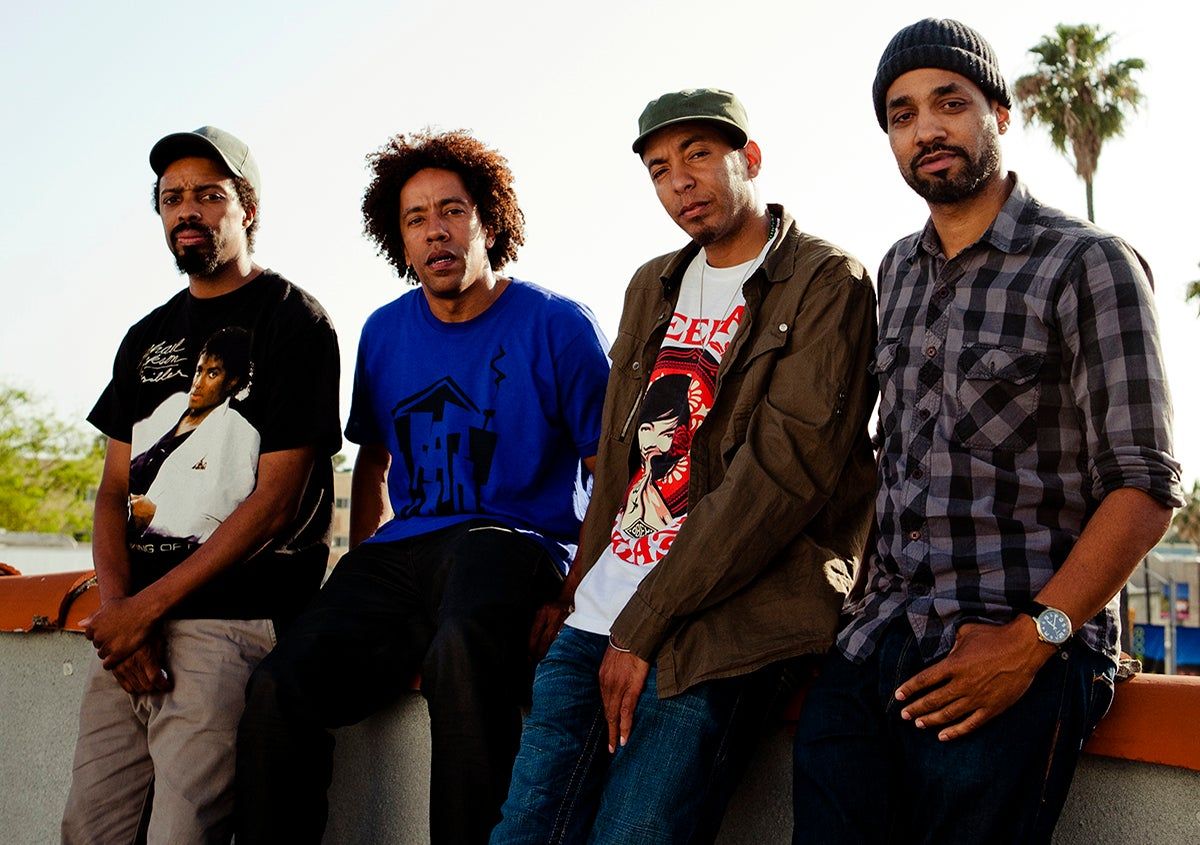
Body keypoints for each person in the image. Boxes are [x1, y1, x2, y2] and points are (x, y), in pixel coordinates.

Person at [792, 19, 1186, 844]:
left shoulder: (1088, 263)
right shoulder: (896, 270)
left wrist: (1033, 639)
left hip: (1015, 644)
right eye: (901, 115)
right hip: (873, 646)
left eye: (950, 103)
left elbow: (1146, 485)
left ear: (1000, 114)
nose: (925, 130)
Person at [493, 88, 878, 843]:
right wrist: (578, 592)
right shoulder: (652, 284)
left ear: (750, 158)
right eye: (660, 169)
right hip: (603, 614)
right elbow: (618, 464)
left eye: (699, 154)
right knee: (525, 830)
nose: (680, 182)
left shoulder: (827, 280)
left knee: (634, 833)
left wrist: (645, 623)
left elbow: (782, 477)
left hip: (728, 620)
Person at [235, 130, 611, 845]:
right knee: (279, 684)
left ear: (488, 223)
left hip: (512, 543)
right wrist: (362, 569)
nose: (435, 230)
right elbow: (373, 463)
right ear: (400, 241)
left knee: (461, 651)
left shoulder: (559, 324)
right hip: (405, 554)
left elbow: (612, 473)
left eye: (452, 211)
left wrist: (572, 597)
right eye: (416, 218)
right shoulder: (383, 332)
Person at [61, 125, 341, 845]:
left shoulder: (296, 322)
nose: (187, 210)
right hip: (131, 631)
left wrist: (144, 610)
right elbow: (111, 491)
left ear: (248, 208)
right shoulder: (145, 336)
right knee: (89, 830)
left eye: (209, 195)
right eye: (172, 197)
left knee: (183, 834)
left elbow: (275, 504)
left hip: (228, 625)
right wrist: (120, 615)